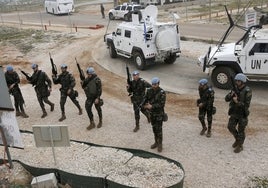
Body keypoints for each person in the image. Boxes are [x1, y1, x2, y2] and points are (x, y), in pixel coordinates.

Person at [225, 73, 252, 153]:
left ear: (243, 82)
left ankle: (240, 145)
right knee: (230, 127)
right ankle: (237, 139)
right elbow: (226, 99)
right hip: (234, 112)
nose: (237, 82)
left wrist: (237, 102)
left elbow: (246, 105)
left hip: (242, 113)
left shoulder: (247, 91)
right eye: (236, 80)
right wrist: (231, 95)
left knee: (241, 130)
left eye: (238, 81)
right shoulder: (234, 88)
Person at [143, 77, 166, 152]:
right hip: (152, 114)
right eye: (152, 84)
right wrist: (143, 104)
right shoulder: (149, 91)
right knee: (154, 129)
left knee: (159, 130)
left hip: (159, 114)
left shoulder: (162, 92)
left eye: (155, 84)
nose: (153, 86)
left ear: (158, 84)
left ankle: (160, 144)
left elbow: (161, 104)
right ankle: (156, 142)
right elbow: (145, 98)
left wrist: (151, 106)